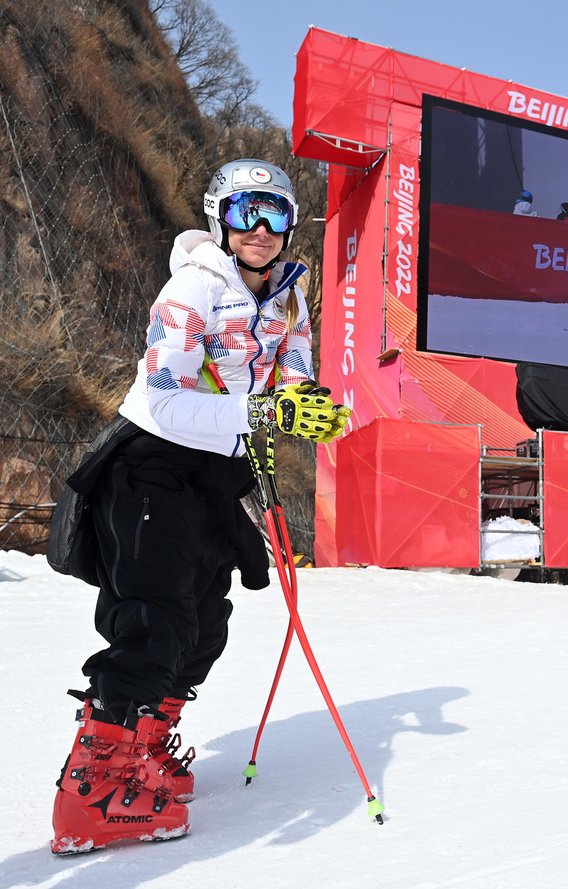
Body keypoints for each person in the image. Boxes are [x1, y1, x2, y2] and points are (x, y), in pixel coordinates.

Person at [50, 158, 350, 855]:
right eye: (246, 212)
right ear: (221, 218)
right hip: (151, 459)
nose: (261, 230)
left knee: (206, 616)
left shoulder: (289, 298)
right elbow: (163, 397)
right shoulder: (194, 288)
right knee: (154, 614)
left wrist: (305, 404)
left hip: (215, 469)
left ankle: (145, 747)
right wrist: (265, 406)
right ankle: (92, 792)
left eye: (276, 214)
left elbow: (293, 369)